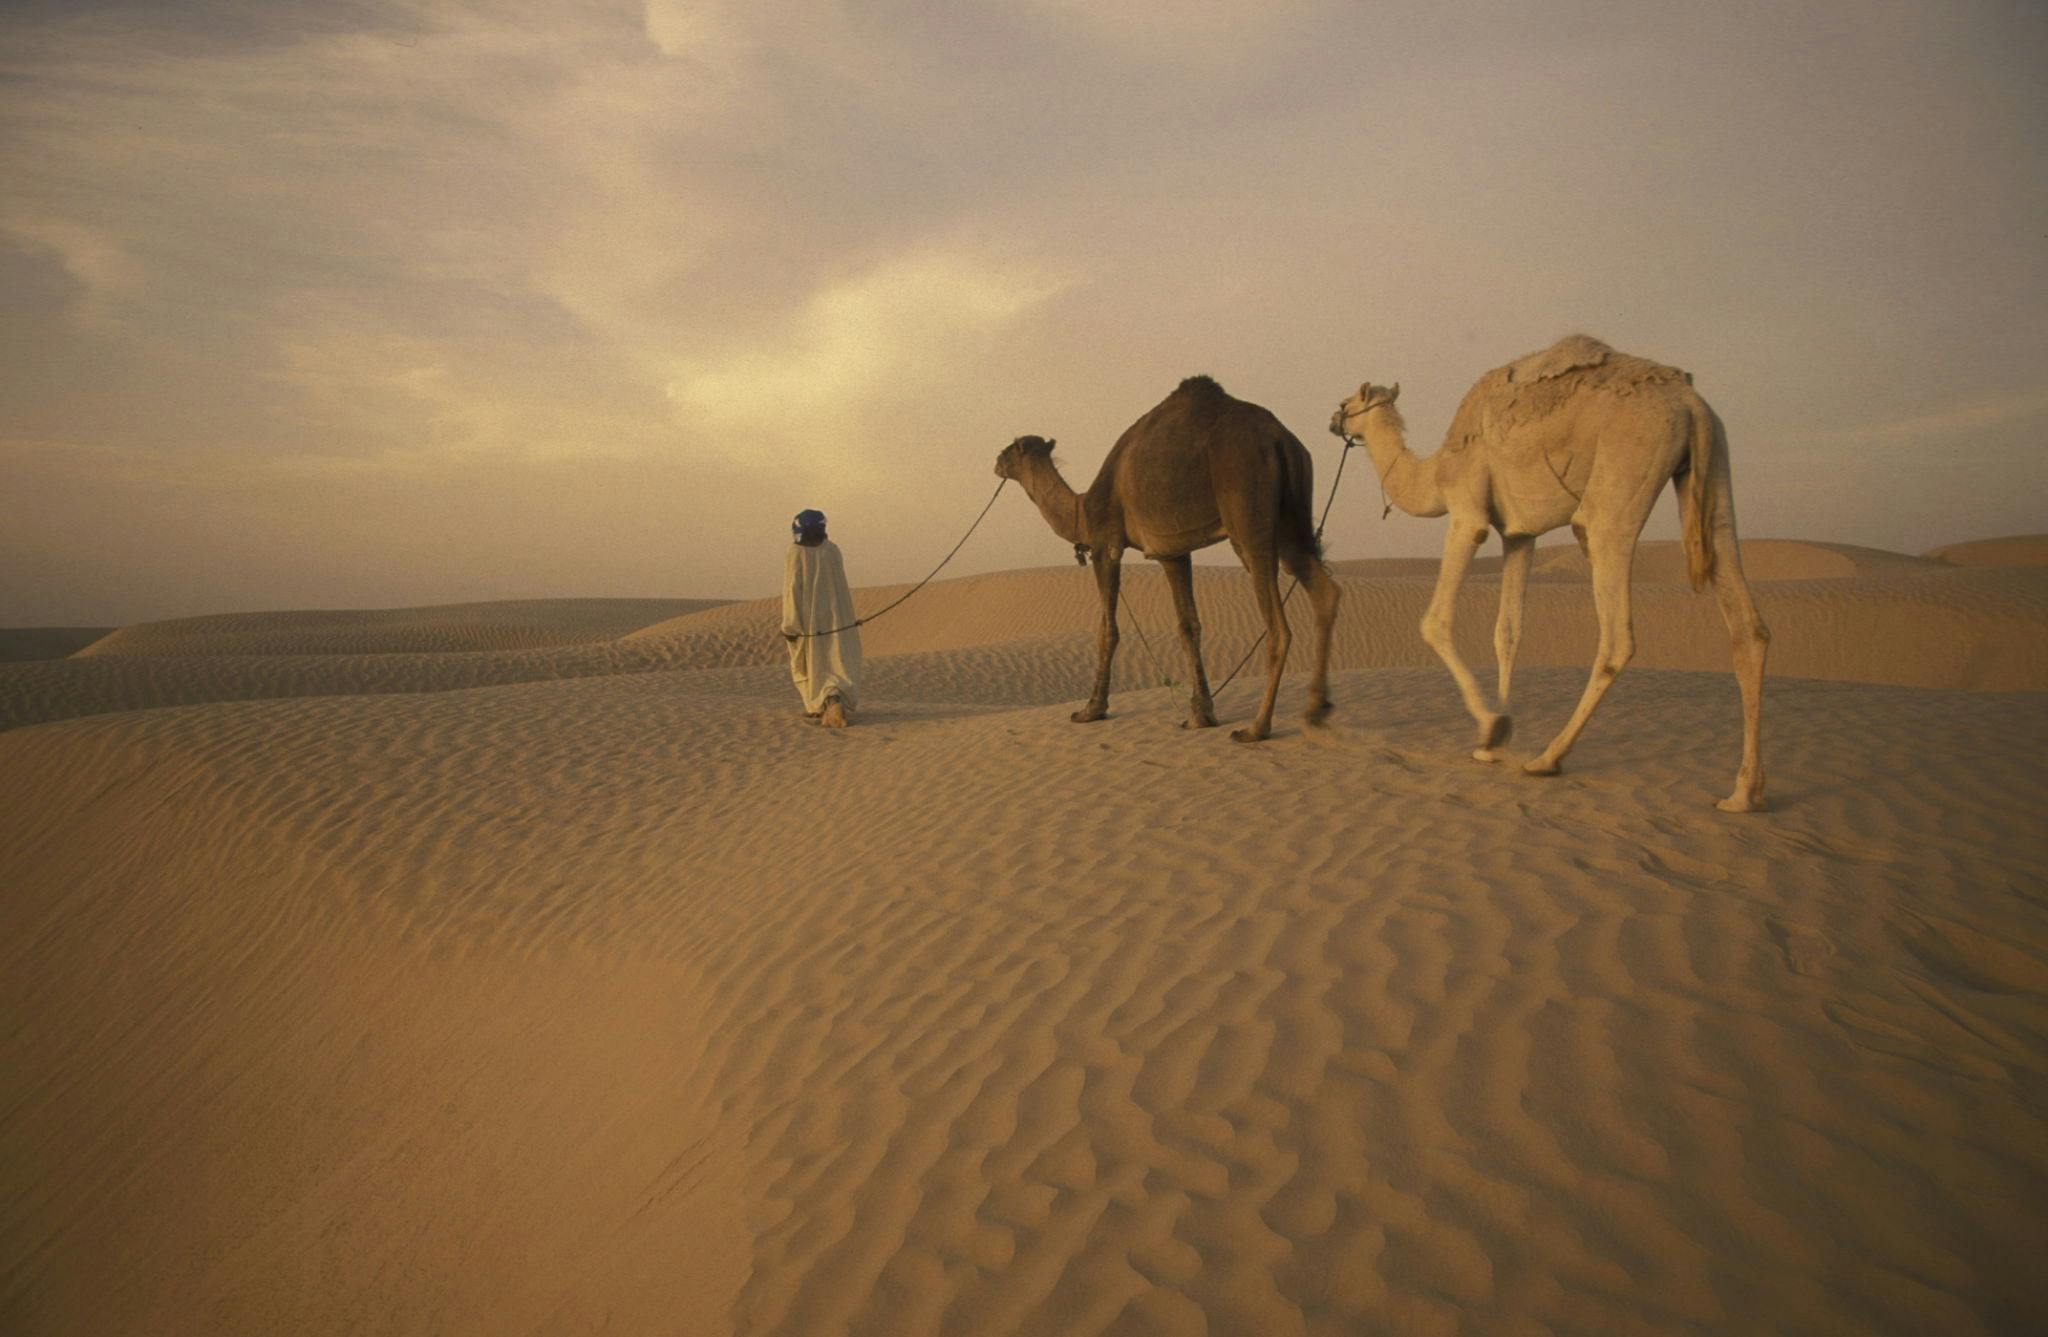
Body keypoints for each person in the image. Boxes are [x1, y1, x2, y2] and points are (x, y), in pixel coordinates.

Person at [781, 508, 862, 727]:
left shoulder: (795, 553)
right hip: (838, 621)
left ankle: (826, 704)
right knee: (835, 662)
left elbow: (792, 590)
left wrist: (790, 625)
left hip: (809, 622)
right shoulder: (833, 551)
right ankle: (831, 703)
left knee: (811, 666)